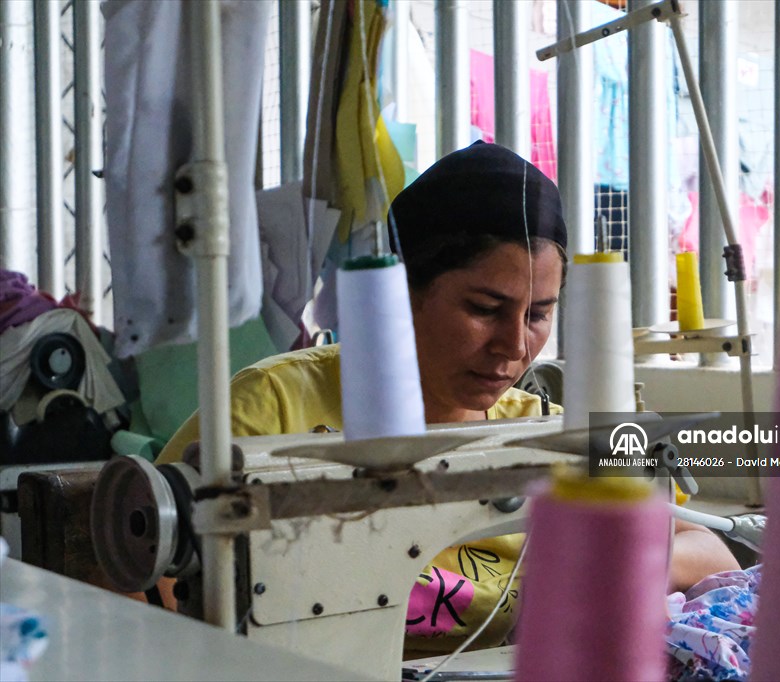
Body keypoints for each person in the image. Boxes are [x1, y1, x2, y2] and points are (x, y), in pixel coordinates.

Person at [156, 142, 738, 656]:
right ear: (404, 289)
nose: (514, 346)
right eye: (484, 309)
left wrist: (598, 573)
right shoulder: (274, 407)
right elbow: (143, 566)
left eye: (538, 315)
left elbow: (712, 551)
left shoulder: (550, 433)